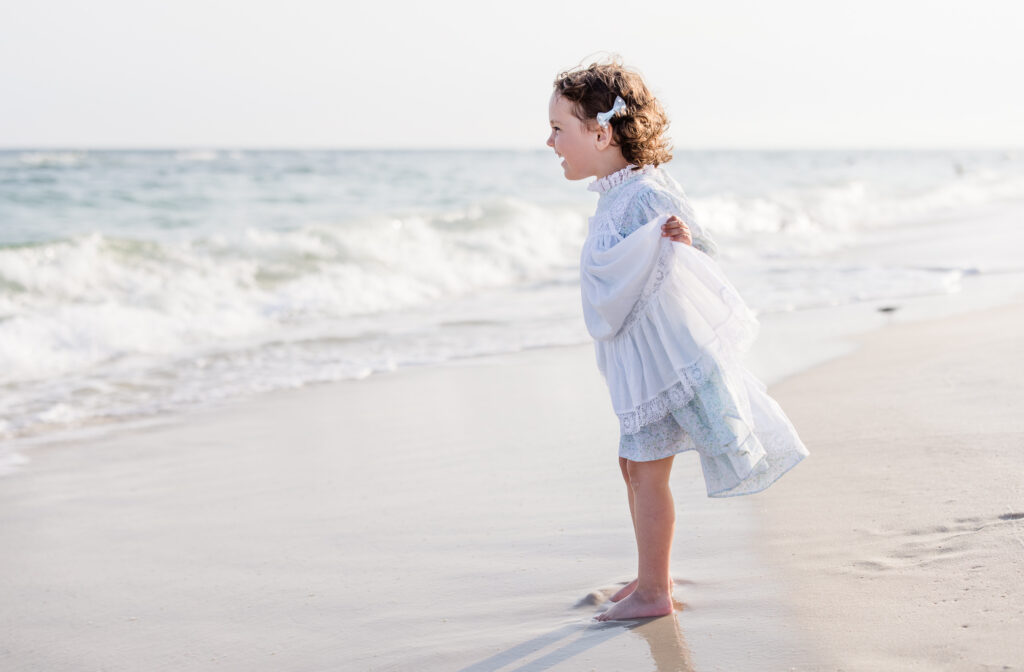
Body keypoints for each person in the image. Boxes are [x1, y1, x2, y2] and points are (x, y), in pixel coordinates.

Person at [546, 59, 809, 622]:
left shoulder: (643, 192)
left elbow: (701, 250)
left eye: (558, 129)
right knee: (632, 464)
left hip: (664, 361)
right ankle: (651, 576)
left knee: (646, 470)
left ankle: (653, 594)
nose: (550, 141)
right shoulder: (613, 192)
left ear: (601, 132)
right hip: (638, 359)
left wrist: (683, 243)